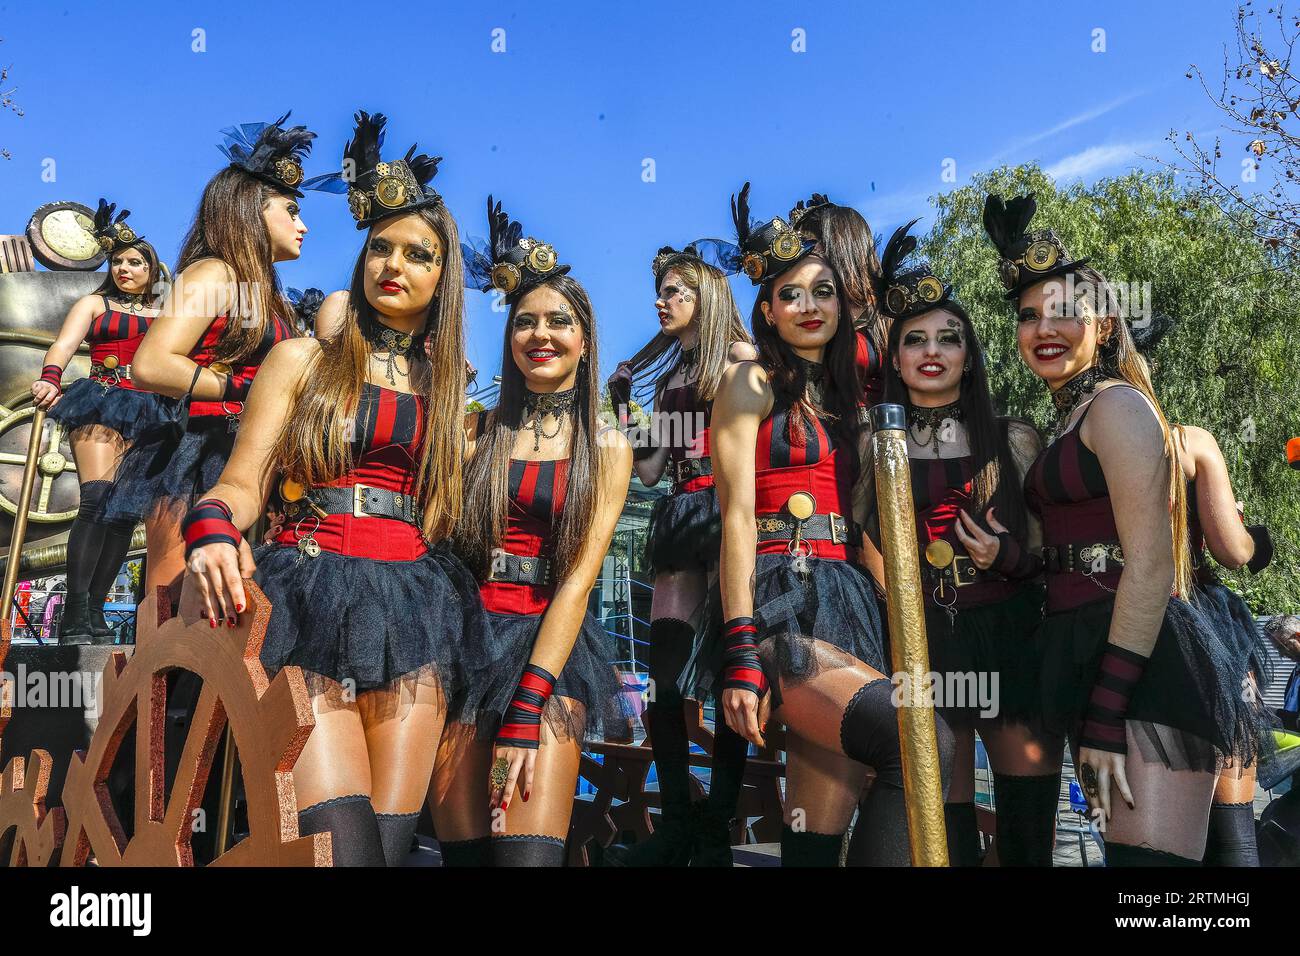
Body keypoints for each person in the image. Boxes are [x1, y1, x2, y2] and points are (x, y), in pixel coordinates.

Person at [185, 110, 484, 866]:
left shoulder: (448, 393)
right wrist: (214, 527)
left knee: (387, 853)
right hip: (308, 599)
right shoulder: (300, 362)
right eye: (380, 246)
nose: (395, 264)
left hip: (415, 616)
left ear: (443, 279)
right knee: (340, 851)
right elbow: (241, 483)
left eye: (419, 254)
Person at [984, 193, 1259, 866]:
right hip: (1086, 658)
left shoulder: (1119, 409)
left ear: (1103, 326)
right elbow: (1060, 558)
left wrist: (1107, 707)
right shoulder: (1065, 425)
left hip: (1146, 669)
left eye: (1061, 312)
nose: (1042, 329)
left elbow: (1152, 566)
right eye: (1027, 316)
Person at [682, 183, 953, 866]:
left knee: (815, 824)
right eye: (791, 294)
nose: (810, 306)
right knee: (915, 740)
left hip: (850, 596)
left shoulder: (850, 385)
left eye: (824, 291)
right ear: (766, 309)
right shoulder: (748, 384)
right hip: (777, 600)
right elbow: (736, 521)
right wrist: (741, 652)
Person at [857, 220, 1061, 866]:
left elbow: (1052, 558)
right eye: (914, 340)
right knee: (940, 839)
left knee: (1027, 835)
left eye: (950, 338)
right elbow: (862, 542)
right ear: (894, 358)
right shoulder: (873, 445)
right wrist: (897, 600)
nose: (932, 350)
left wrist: (1006, 559)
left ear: (970, 355)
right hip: (925, 645)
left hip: (1011, 637)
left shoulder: (1017, 439)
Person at [441, 198, 630, 866]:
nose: (540, 334)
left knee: (525, 855)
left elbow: (578, 583)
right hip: (462, 650)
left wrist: (527, 707)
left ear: (584, 337)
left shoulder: (606, 445)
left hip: (551, 656)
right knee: (463, 855)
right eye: (525, 322)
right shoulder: (474, 433)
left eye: (558, 321)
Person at [102, 113, 312, 602]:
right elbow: (152, 364)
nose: (303, 226)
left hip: (252, 461)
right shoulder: (214, 273)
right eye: (291, 210)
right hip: (197, 454)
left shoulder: (270, 295)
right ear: (251, 211)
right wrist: (247, 390)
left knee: (231, 619)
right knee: (176, 618)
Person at [603, 237, 756, 866]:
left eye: (675, 290)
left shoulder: (739, 358)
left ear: (707, 296)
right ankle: (676, 822)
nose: (661, 301)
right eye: (660, 291)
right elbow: (649, 470)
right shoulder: (669, 380)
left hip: (731, 514)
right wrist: (620, 401)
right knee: (667, 676)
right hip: (681, 514)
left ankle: (715, 825)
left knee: (725, 677)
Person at [32, 200, 170, 643]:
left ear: (153, 269)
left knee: (123, 515)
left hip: (151, 410)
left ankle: (95, 611)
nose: (125, 268)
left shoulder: (168, 315)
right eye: (118, 261)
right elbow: (62, 345)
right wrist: (51, 378)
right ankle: (73, 612)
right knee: (97, 500)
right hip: (101, 400)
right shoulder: (94, 303)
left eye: (135, 261)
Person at [790, 192, 886, 407]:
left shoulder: (889, 310)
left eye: (808, 243)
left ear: (839, 244)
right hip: (817, 434)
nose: (800, 254)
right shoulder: (804, 311)